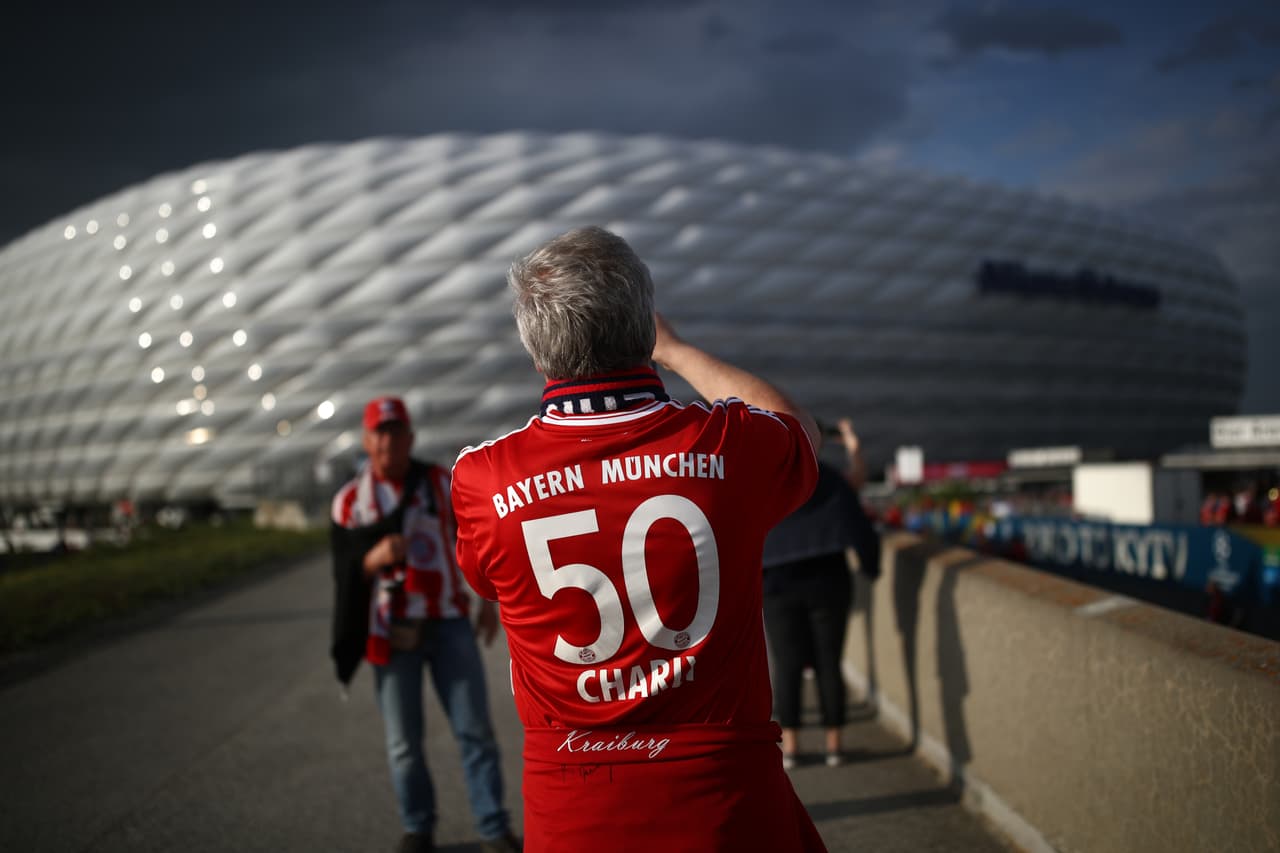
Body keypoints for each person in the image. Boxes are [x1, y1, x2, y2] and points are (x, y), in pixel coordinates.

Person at [450, 226, 828, 852]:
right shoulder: (727, 449)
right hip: (725, 802)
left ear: (537, 353)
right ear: (644, 330)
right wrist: (675, 350)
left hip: (572, 805)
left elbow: (485, 581)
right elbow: (795, 428)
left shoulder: (482, 479)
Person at [329, 396, 520, 853]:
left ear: (410, 439)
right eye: (379, 432)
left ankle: (493, 827)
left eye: (396, 433)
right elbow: (343, 571)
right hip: (391, 631)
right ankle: (418, 828)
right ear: (366, 439)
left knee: (475, 730)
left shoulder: (439, 482)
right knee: (403, 743)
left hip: (448, 620)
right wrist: (370, 560)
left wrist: (487, 603)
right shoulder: (349, 502)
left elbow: (477, 539)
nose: (387, 442)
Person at [761, 418, 881, 770]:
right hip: (829, 579)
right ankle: (834, 746)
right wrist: (870, 568)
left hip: (777, 583)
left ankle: (793, 748)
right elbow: (860, 526)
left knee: (787, 667)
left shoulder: (769, 481)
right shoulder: (829, 479)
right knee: (830, 663)